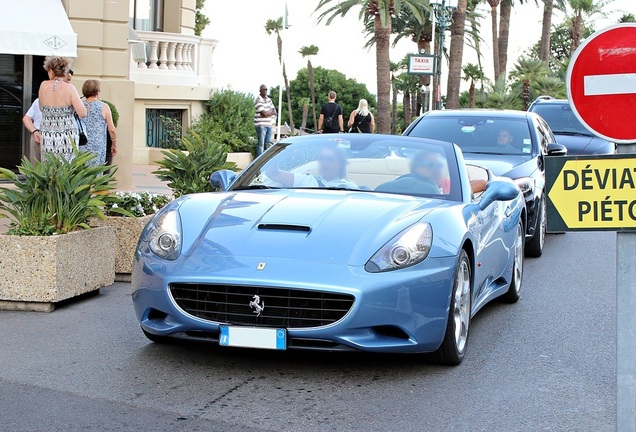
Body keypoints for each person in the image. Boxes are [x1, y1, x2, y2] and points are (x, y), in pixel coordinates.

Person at [38, 57, 86, 161]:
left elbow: (41, 108)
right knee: (67, 167)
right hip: (67, 135)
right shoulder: (70, 88)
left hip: (47, 134)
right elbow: (82, 113)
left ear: (51, 70)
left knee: (49, 166)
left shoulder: (43, 85)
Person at [22, 70, 74, 163]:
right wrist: (35, 131)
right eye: (67, 81)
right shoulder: (67, 100)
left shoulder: (41, 99)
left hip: (43, 135)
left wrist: (35, 132)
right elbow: (26, 118)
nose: (67, 84)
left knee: (40, 170)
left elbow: (26, 118)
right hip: (51, 137)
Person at [266, 144, 357, 189]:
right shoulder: (307, 181)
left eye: (330, 159)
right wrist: (280, 153)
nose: (324, 162)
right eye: (322, 158)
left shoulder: (350, 188)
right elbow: (273, 173)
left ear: (341, 164)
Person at [81, 79, 118, 167]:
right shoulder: (104, 106)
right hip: (97, 146)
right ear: (97, 91)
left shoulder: (80, 105)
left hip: (81, 145)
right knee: (95, 175)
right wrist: (114, 144)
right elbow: (112, 129)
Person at [254, 84, 276, 156]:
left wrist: (267, 113)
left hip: (269, 125)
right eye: (264, 89)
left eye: (266, 89)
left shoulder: (269, 99)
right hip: (261, 125)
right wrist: (268, 113)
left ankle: (266, 160)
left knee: (268, 144)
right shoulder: (258, 100)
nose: (265, 91)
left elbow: (274, 111)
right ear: (260, 91)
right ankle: (259, 161)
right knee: (261, 144)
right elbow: (263, 113)